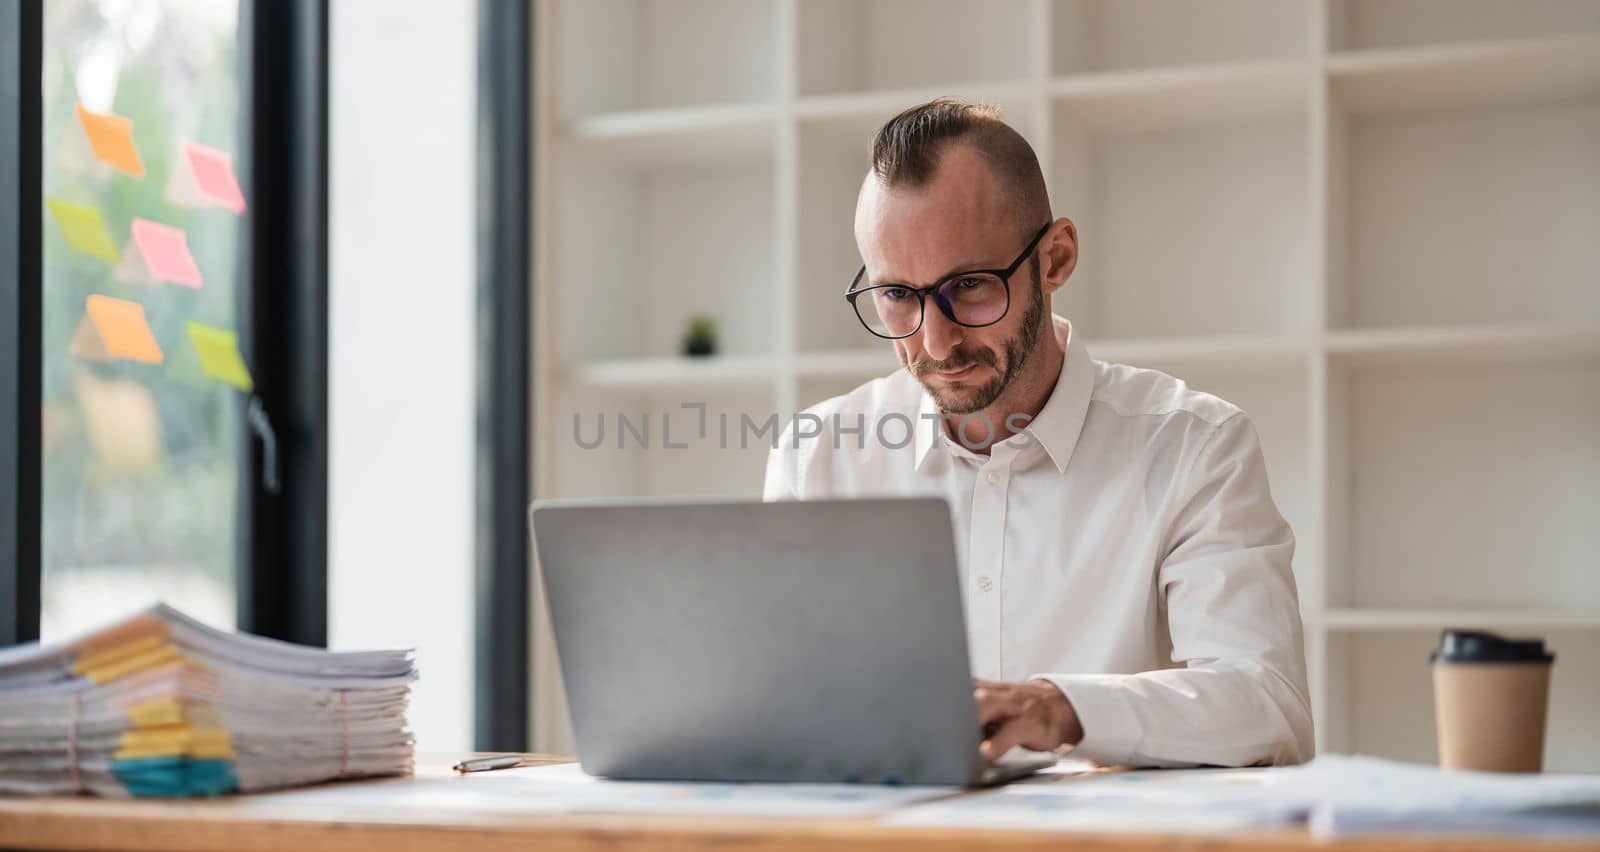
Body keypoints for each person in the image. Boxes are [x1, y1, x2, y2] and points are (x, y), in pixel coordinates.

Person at [763, 98, 1312, 768]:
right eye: (898, 295)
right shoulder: (817, 454)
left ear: (1055, 259)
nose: (935, 341)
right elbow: (780, 702)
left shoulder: (1195, 447)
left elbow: (1268, 705)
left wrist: (1061, 709)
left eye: (969, 286)